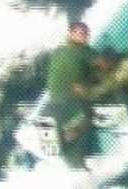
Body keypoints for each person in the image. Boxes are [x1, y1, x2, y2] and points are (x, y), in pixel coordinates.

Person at [45, 21, 97, 167]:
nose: (86, 36)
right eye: (82, 33)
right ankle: (66, 144)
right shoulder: (85, 51)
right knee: (90, 117)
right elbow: (104, 65)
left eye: (87, 33)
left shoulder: (58, 51)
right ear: (71, 34)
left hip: (53, 101)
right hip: (70, 103)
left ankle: (58, 141)